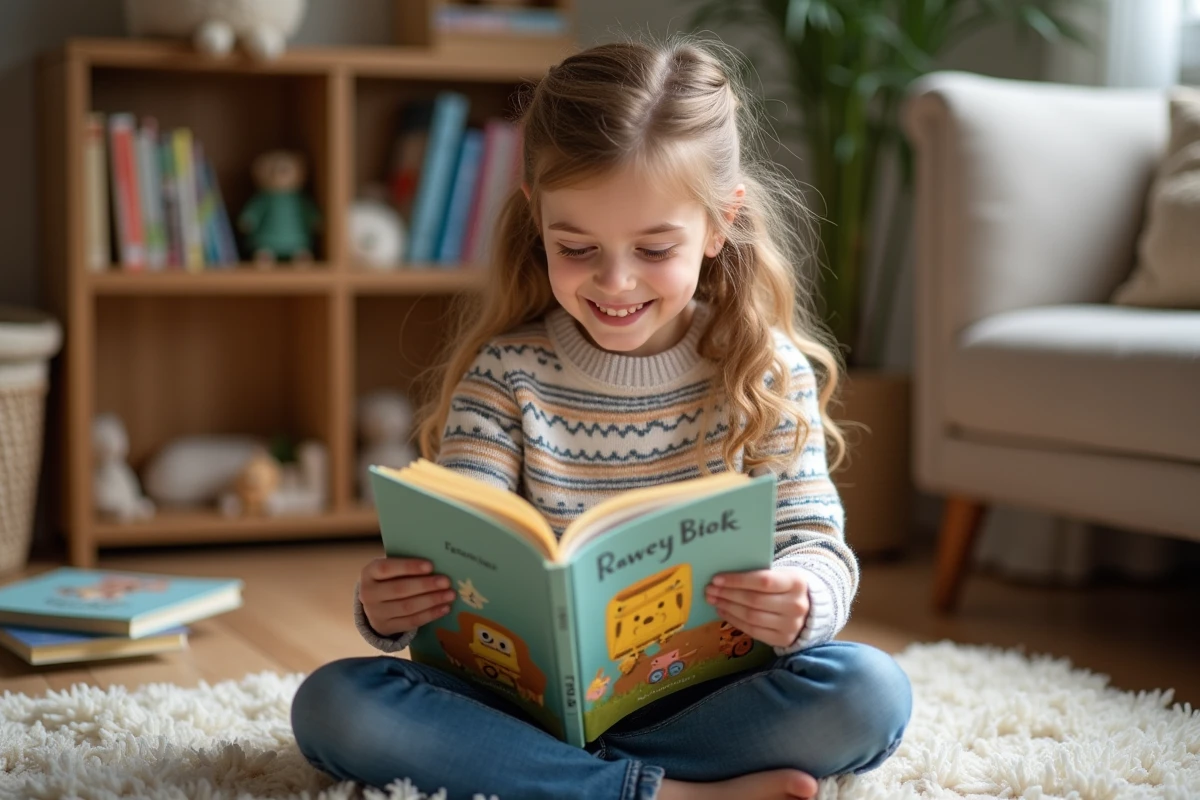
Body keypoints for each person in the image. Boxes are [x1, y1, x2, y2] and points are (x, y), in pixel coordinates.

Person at [291, 34, 912, 800]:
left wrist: (802, 595)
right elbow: (459, 548)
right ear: (536, 217)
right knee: (335, 708)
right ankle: (670, 795)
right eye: (576, 247)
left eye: (655, 249)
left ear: (720, 224)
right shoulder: (507, 376)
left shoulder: (765, 369)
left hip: (702, 701)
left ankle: (572, 788)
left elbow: (816, 540)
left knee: (869, 691)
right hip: (522, 710)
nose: (615, 282)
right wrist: (391, 605)